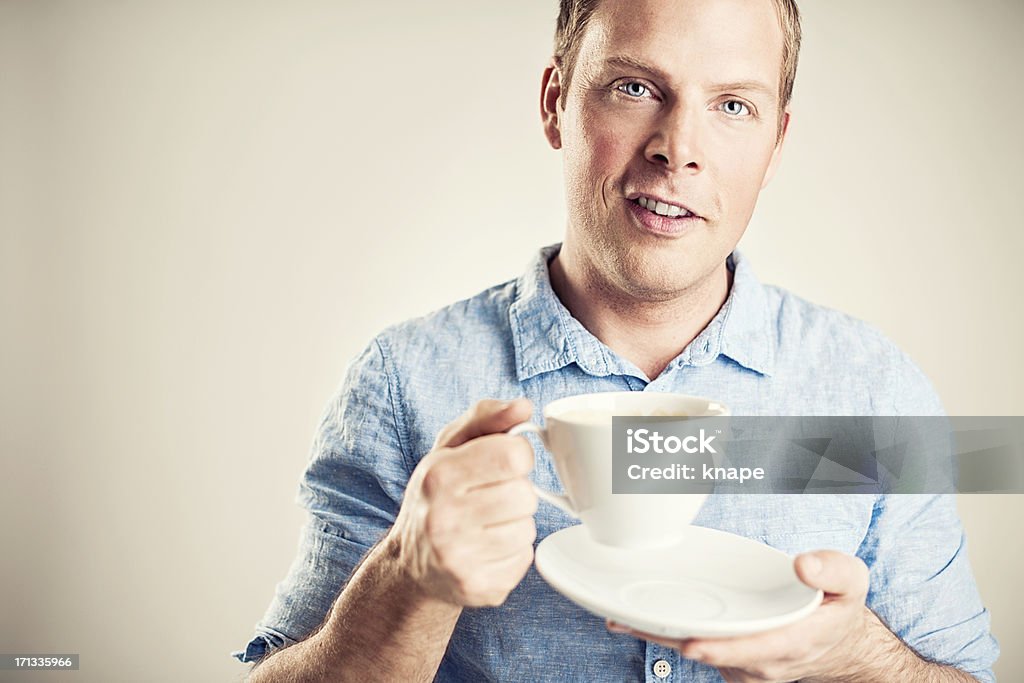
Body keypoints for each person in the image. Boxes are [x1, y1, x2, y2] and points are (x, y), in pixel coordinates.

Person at [234, 0, 999, 680]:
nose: (677, 148)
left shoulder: (877, 393)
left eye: (733, 104)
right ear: (555, 102)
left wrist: (853, 659)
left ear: (776, 144)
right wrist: (407, 584)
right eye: (636, 87)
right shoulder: (404, 382)